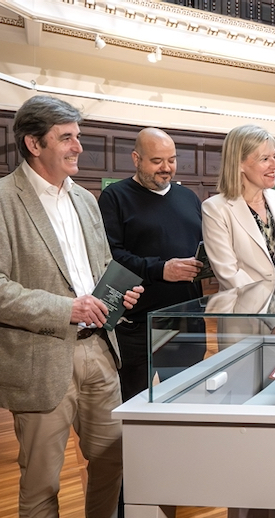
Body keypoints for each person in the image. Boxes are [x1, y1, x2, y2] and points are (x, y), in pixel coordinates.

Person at [0, 95, 142, 518]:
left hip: (99, 351)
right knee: (42, 480)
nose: (79, 145)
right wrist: (67, 307)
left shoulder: (87, 200)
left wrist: (117, 295)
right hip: (39, 357)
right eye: (68, 137)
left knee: (110, 459)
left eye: (77, 134)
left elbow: (99, 268)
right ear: (34, 143)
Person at [202, 124, 275, 518]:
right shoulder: (216, 208)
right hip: (245, 330)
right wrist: (272, 318)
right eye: (265, 158)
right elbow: (228, 274)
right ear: (240, 162)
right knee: (246, 427)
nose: (274, 164)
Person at [98, 128, 205, 401]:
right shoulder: (115, 197)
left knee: (187, 394)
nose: (166, 168)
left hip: (187, 316)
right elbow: (110, 256)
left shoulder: (189, 198)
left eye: (172, 159)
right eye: (157, 161)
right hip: (137, 321)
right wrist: (161, 269)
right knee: (134, 399)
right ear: (136, 159)